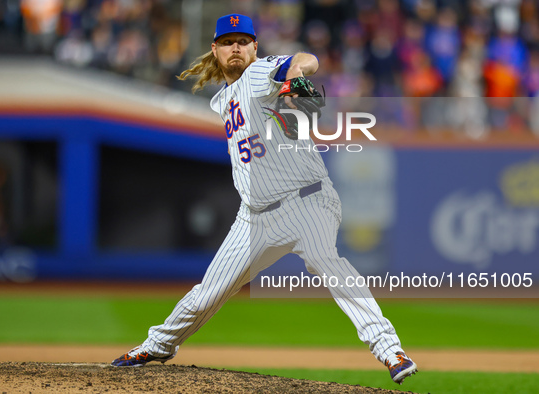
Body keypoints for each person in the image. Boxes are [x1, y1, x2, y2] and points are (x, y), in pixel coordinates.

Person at [111, 13, 418, 385]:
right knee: (208, 294)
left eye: (243, 40)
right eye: (228, 42)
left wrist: (292, 76)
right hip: (254, 217)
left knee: (326, 261)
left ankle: (390, 350)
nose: (236, 47)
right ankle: (159, 344)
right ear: (216, 49)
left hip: (307, 201)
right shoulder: (222, 100)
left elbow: (307, 60)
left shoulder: (261, 73)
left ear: (255, 47)